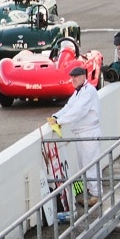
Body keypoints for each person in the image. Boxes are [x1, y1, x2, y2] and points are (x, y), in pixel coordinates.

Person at [48, 66, 102, 206]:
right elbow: (69, 107)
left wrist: (60, 121)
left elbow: (78, 112)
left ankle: (96, 194)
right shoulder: (79, 92)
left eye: (75, 77)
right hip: (82, 132)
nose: (73, 79)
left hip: (89, 132)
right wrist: (56, 116)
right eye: (71, 77)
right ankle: (93, 193)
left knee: (90, 164)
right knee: (84, 164)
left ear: (84, 77)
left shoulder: (88, 91)